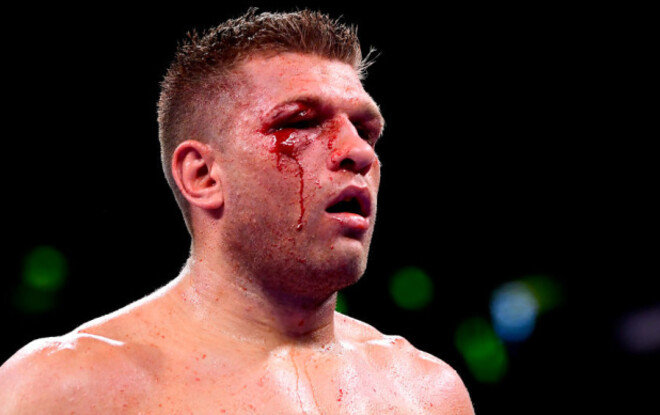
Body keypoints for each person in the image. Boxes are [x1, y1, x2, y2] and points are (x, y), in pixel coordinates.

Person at [0, 9, 474, 414]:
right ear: (203, 176)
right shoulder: (66, 389)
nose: (359, 152)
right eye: (301, 123)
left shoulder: (426, 394)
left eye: (366, 131)